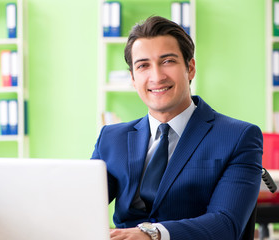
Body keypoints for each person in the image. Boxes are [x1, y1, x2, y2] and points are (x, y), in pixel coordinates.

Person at [91, 16, 263, 240]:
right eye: (143, 65)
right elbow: (81, 206)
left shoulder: (238, 137)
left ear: (190, 68)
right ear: (133, 79)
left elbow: (225, 224)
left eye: (167, 61)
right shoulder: (111, 137)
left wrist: (152, 234)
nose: (157, 76)